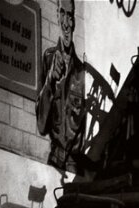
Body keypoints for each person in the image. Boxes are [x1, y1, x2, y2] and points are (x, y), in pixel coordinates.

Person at [36, 0, 89, 172]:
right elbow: (41, 125)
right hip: (54, 160)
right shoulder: (48, 58)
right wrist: (50, 81)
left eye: (71, 16)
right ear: (57, 16)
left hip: (74, 165)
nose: (66, 23)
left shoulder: (82, 71)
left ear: (74, 21)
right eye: (63, 14)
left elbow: (84, 125)